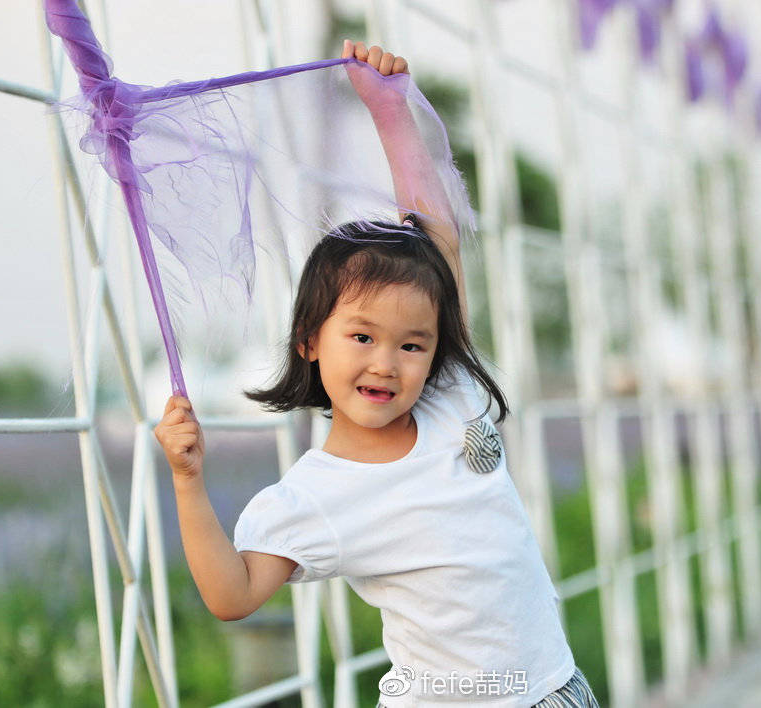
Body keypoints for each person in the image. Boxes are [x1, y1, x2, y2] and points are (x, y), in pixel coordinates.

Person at [154, 41, 599, 707]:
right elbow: (233, 592)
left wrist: (389, 112)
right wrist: (188, 481)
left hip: (553, 689)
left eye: (412, 345)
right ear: (309, 339)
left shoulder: (451, 395)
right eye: (360, 336)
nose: (386, 363)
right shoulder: (319, 494)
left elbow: (436, 234)